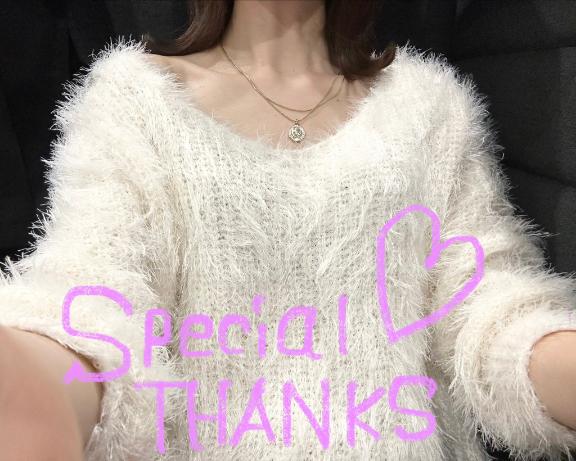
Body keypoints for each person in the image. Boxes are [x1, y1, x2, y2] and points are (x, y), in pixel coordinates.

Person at [1, 1, 575, 460]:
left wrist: (554, 359)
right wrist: (36, 384)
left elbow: (484, 306)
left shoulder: (429, 104)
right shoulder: (133, 101)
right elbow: (89, 294)